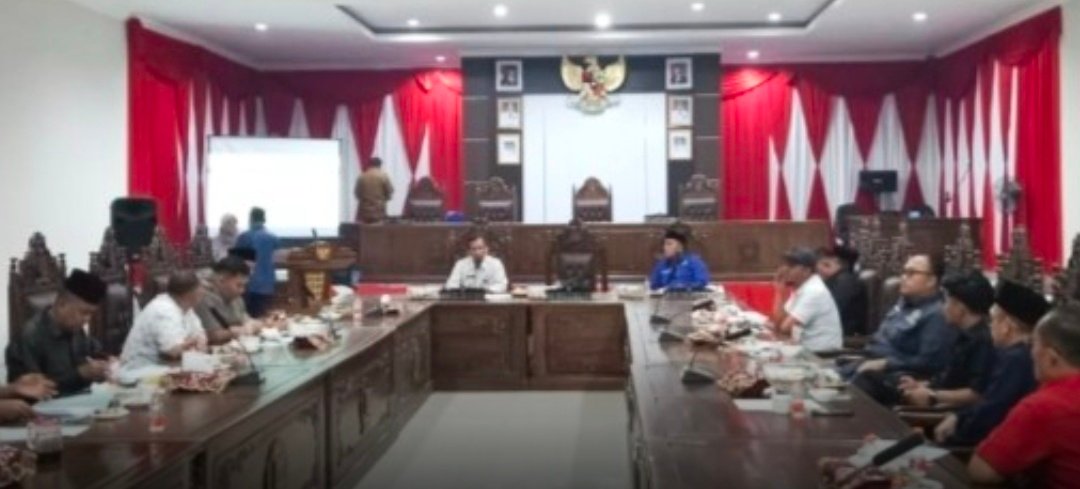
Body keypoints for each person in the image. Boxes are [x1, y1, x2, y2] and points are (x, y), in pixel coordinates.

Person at [967, 303, 1080, 488]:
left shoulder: (1045, 406)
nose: (1030, 351)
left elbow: (981, 472)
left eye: (1033, 344)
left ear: (1051, 358)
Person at [934, 279, 1049, 446]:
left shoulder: (1015, 360)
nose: (990, 326)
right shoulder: (1017, 353)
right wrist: (958, 416)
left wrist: (958, 427)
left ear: (1007, 326)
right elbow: (986, 401)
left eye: (993, 320)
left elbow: (990, 413)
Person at [846, 254, 955, 395]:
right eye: (903, 272)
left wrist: (887, 363)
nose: (903, 277)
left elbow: (928, 362)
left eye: (911, 273)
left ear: (931, 280)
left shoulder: (937, 314)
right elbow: (880, 337)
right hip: (868, 359)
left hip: (896, 375)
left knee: (851, 388)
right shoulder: (904, 302)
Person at [893, 271, 996, 408]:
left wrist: (932, 395)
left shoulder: (983, 342)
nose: (943, 307)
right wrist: (920, 386)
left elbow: (976, 394)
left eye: (947, 301)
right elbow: (948, 379)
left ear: (960, 308)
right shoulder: (961, 334)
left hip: (948, 410)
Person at [6, 269, 112, 396]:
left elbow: (93, 348)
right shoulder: (30, 337)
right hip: (45, 406)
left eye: (91, 314)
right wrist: (79, 374)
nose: (87, 319)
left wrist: (106, 360)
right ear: (62, 304)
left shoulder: (74, 327)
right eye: (84, 312)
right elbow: (31, 391)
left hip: (81, 398)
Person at [120, 271, 208, 369]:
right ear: (190, 293)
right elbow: (173, 352)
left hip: (162, 367)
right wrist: (192, 344)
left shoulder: (186, 307)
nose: (204, 291)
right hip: (138, 370)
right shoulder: (164, 310)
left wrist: (196, 343)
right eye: (201, 287)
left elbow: (200, 336)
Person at [772, 247, 843, 352]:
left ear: (806, 271)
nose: (785, 270)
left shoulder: (814, 291)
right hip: (805, 350)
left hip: (821, 355)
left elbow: (784, 329)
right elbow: (779, 324)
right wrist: (779, 291)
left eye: (791, 266)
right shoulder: (802, 287)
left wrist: (781, 294)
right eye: (785, 265)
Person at [194, 256, 262, 345]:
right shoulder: (203, 298)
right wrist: (239, 331)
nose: (242, 291)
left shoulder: (236, 298)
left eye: (244, 286)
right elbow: (213, 335)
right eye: (238, 285)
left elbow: (247, 319)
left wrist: (252, 325)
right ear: (221, 280)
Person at [236, 207, 279, 318]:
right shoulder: (273, 238)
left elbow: (237, 262)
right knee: (264, 318)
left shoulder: (244, 237)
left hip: (249, 284)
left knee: (247, 318)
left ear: (250, 218)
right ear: (264, 219)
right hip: (268, 284)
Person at [816, 246, 868, 336]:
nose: (820, 272)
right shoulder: (835, 280)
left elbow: (833, 311)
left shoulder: (845, 283)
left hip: (845, 336)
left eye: (826, 265)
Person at [354, 157, 394, 224]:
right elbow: (390, 191)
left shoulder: (362, 176)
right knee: (378, 229)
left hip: (364, 211)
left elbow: (357, 194)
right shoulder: (383, 176)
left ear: (370, 165)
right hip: (379, 211)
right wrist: (385, 199)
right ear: (380, 165)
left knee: (365, 229)